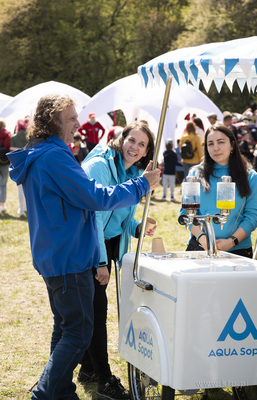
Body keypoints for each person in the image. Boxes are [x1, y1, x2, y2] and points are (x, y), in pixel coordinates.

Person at [7, 94, 160, 400]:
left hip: (59, 253)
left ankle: (59, 391)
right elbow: (96, 198)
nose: (79, 124)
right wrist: (142, 185)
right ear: (53, 121)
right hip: (69, 256)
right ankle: (47, 393)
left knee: (66, 329)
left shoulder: (46, 152)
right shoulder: (53, 157)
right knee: (78, 333)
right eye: (72, 118)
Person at [78, 121, 157, 399]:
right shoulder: (100, 165)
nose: (134, 147)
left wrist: (137, 226)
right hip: (88, 243)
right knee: (97, 311)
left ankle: (87, 368)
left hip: (109, 244)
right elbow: (94, 216)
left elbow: (120, 214)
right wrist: (99, 262)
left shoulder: (135, 172)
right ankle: (105, 380)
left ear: (148, 151)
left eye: (142, 144)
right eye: (131, 140)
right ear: (121, 138)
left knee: (96, 307)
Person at [180, 124, 257, 258]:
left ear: (232, 145)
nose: (216, 148)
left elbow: (253, 215)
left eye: (221, 142)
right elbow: (186, 212)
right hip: (199, 247)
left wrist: (232, 242)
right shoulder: (195, 173)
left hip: (238, 250)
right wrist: (203, 239)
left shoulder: (250, 176)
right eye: (210, 144)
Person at [10, 117, 30, 216]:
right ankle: (28, 208)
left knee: (20, 189)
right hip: (29, 164)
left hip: (18, 164)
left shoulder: (14, 137)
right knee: (29, 188)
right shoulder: (29, 136)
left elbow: (10, 150)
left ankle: (22, 209)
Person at [0, 119, 12, 213]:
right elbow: (9, 147)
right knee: (3, 184)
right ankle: (2, 204)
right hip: (5, 161)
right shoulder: (8, 135)